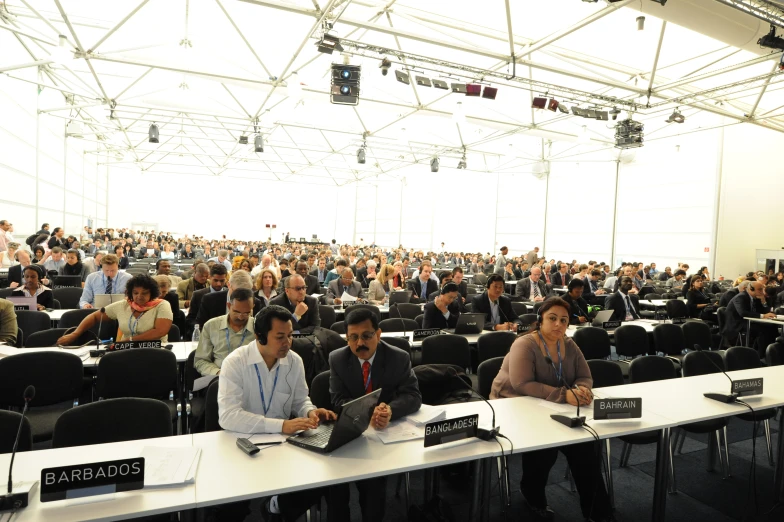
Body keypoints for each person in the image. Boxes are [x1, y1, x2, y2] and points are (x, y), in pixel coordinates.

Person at [489, 297, 612, 522]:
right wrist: (564, 394)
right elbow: (521, 384)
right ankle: (532, 495)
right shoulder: (524, 344)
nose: (558, 324)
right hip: (513, 404)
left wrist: (583, 390)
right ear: (540, 320)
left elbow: (585, 376)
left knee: (586, 446)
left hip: (551, 405)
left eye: (563, 320)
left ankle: (599, 514)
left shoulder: (570, 343)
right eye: (552, 318)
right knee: (545, 446)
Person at [215, 304, 336, 521]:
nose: (287, 342)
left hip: (282, 444)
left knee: (321, 479)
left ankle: (275, 505)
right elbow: (228, 416)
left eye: (289, 335)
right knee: (227, 509)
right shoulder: (235, 362)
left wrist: (311, 412)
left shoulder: (294, 361)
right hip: (242, 444)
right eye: (280, 337)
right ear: (260, 336)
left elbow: (300, 400)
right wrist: (280, 425)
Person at [328, 308, 422, 522]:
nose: (359, 343)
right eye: (353, 337)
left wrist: (390, 409)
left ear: (378, 334)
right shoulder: (338, 359)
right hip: (348, 435)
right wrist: (367, 412)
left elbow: (413, 395)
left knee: (374, 492)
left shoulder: (399, 357)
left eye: (366, 336)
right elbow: (337, 400)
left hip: (383, 440)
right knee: (335, 492)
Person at [58, 274, 173, 345]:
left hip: (156, 351)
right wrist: (75, 334)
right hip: (126, 351)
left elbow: (160, 331)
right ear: (130, 293)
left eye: (144, 293)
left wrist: (130, 340)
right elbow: (94, 316)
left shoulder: (162, 305)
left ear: (152, 293)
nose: (139, 296)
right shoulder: (123, 305)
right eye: (135, 293)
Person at [195, 288, 255, 376]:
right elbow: (201, 360)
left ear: (252, 307)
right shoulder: (211, 326)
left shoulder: (258, 327)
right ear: (229, 306)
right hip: (219, 376)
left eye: (246, 313)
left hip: (249, 377)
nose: (240, 317)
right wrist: (219, 373)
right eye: (236, 312)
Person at [197, 270, 261, 330]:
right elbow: (201, 326)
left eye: (246, 293)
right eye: (237, 292)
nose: (241, 297)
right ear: (228, 285)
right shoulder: (210, 300)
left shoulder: (256, 303)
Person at [722, 281, 776, 350]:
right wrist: (763, 316)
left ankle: (771, 353)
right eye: (759, 289)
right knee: (764, 330)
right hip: (737, 324)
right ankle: (760, 355)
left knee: (773, 327)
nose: (762, 292)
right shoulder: (740, 297)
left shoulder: (755, 298)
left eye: (762, 289)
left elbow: (762, 310)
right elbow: (743, 313)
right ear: (751, 289)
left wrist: (764, 303)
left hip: (748, 321)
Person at [186, 264, 228, 330]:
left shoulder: (230, 294)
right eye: (216, 280)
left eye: (222, 281)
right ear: (210, 277)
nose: (219, 284)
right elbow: (191, 319)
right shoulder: (198, 295)